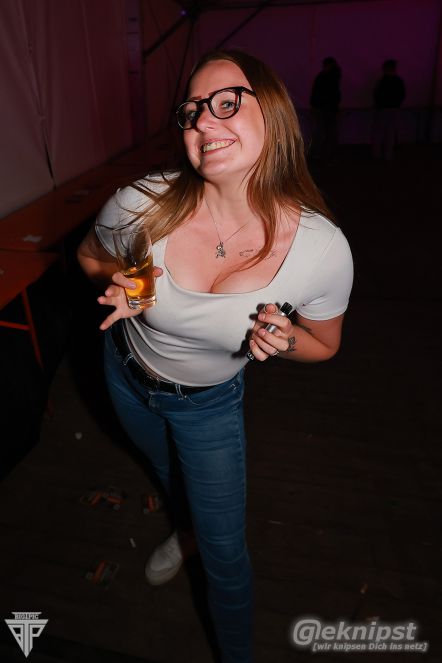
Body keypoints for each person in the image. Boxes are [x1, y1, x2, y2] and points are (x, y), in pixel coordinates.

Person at [77, 49, 353, 663]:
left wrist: (284, 341)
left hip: (209, 408)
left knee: (227, 558)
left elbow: (325, 344)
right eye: (192, 110)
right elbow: (90, 256)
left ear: (272, 113)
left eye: (227, 102)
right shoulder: (142, 203)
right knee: (168, 477)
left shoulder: (321, 250)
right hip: (127, 380)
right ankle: (185, 532)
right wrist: (122, 281)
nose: (203, 121)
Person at [372, 59, 406, 160]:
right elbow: (402, 95)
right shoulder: (399, 81)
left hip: (383, 109)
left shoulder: (382, 81)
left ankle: (377, 153)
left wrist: (378, 104)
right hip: (394, 109)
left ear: (386, 69)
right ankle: (388, 154)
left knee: (379, 132)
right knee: (390, 132)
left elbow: (376, 94)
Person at [309, 56, 342, 162]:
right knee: (329, 133)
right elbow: (336, 94)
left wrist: (313, 105)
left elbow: (316, 93)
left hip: (323, 108)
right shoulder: (334, 76)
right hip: (329, 108)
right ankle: (328, 155)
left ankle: (318, 154)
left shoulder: (323, 76)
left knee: (321, 132)